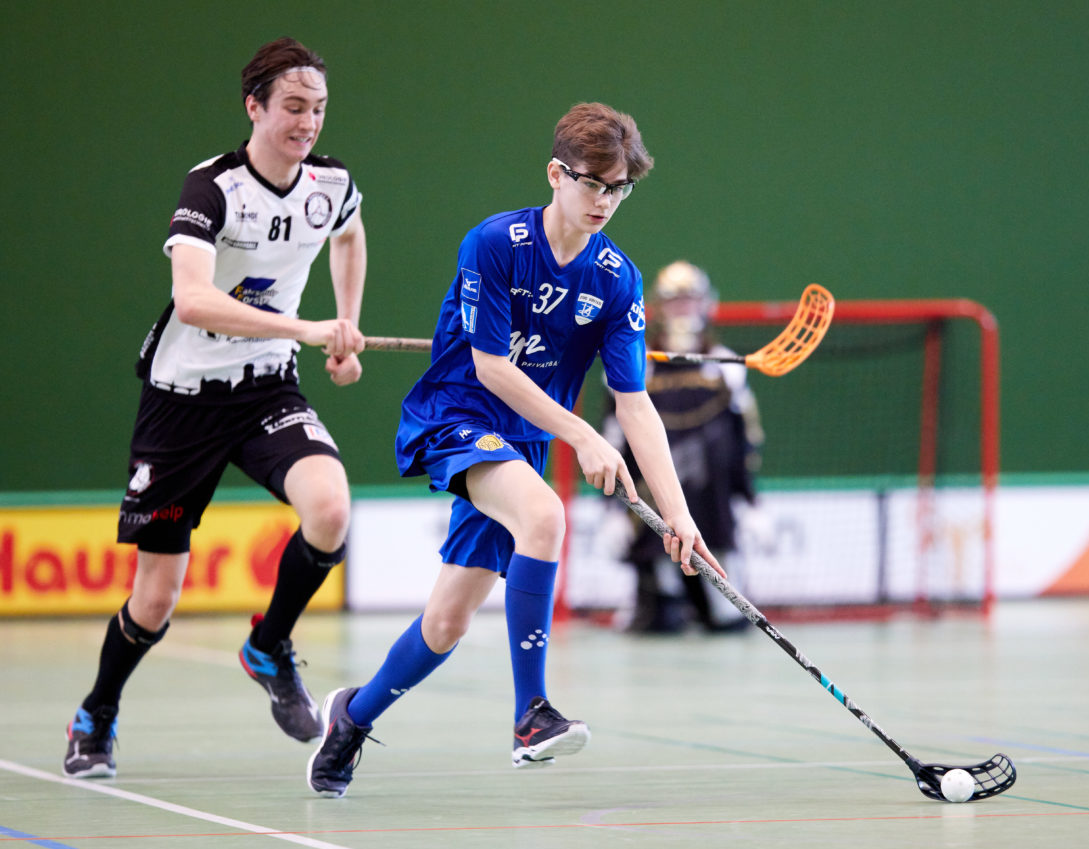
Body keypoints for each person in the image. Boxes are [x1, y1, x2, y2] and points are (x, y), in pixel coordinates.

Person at [306, 102, 727, 798]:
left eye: (618, 188)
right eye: (592, 183)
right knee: (545, 517)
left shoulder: (616, 278)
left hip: (520, 441)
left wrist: (678, 514)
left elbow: (635, 401)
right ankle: (530, 715)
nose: (604, 201)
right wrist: (583, 434)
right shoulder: (496, 243)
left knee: (445, 621)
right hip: (459, 412)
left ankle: (351, 715)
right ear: (556, 174)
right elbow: (494, 366)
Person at [62, 37, 367, 778]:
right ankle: (97, 711)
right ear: (254, 106)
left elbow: (349, 235)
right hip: (183, 402)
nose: (308, 123)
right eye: (293, 107)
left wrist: (346, 327)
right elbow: (193, 300)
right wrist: (305, 325)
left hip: (266, 389)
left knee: (329, 508)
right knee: (156, 600)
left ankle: (269, 643)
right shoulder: (213, 189)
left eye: (318, 108)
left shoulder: (331, 184)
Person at [603, 261, 765, 634]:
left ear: (707, 304)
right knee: (659, 619)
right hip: (652, 509)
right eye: (675, 302)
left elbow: (743, 444)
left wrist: (753, 502)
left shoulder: (728, 368)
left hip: (713, 504)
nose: (683, 310)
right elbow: (614, 440)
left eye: (691, 300)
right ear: (659, 307)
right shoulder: (635, 365)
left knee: (726, 620)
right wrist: (610, 509)